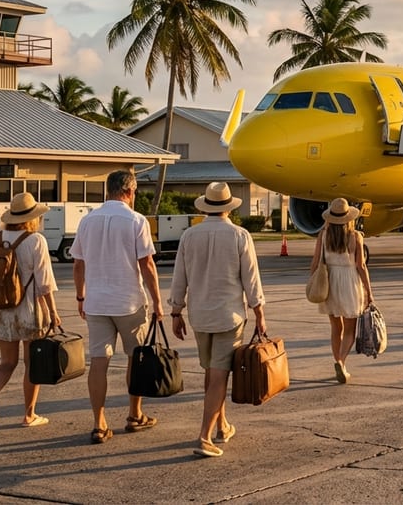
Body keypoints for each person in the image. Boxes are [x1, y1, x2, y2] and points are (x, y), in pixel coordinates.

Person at [169, 183, 266, 458]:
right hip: (229, 315)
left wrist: (176, 312)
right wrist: (259, 312)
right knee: (220, 376)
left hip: (199, 315)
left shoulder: (189, 236)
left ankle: (222, 425)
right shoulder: (239, 235)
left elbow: (180, 277)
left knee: (212, 373)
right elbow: (251, 278)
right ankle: (204, 436)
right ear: (229, 208)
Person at [72, 170, 163, 445]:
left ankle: (99, 423)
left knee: (99, 362)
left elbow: (78, 263)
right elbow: (146, 264)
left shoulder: (87, 220)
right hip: (128, 302)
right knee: (136, 359)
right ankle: (135, 415)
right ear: (130, 191)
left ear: (108, 190)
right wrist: (158, 301)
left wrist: (80, 296)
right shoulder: (136, 220)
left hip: (97, 302)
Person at [0, 192, 62, 433]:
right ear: (34, 217)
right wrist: (53, 313)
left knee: (7, 362)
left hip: (1, 308)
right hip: (29, 309)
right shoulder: (36, 240)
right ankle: (29, 414)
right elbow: (45, 283)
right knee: (32, 364)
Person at [312, 198, 374, 381]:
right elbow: (361, 265)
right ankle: (341, 362)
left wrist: (313, 282)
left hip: (329, 282)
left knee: (335, 327)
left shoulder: (324, 235)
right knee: (349, 330)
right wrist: (369, 291)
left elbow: (315, 262)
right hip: (349, 282)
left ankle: (337, 361)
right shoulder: (355, 236)